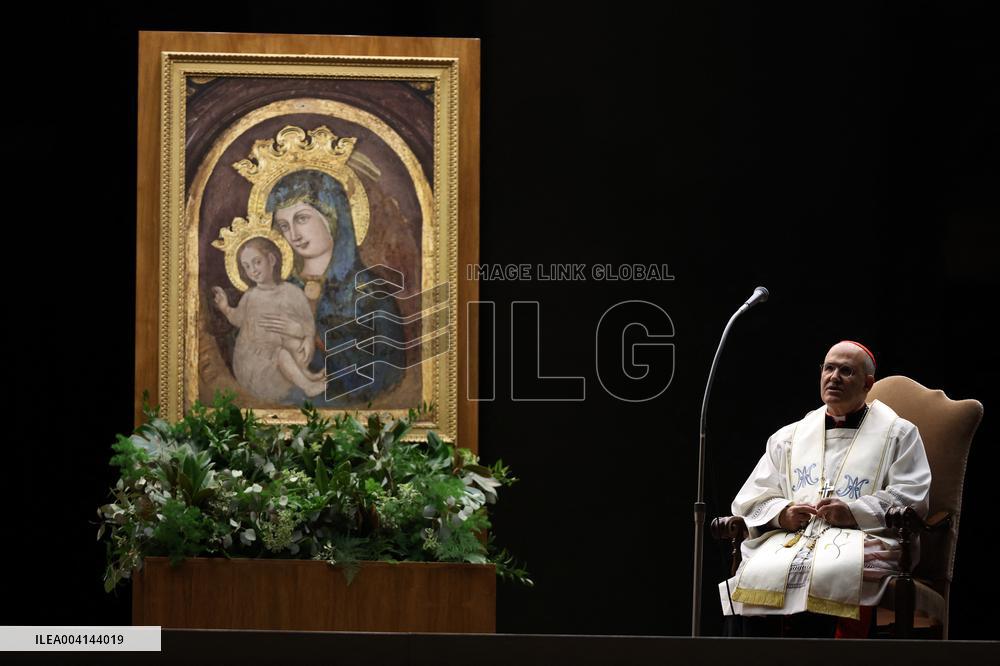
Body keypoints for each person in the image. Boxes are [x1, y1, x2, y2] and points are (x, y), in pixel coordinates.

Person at [719, 341, 931, 638]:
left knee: (826, 570)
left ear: (868, 383)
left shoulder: (898, 434)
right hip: (793, 539)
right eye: (829, 368)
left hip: (863, 538)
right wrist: (783, 514)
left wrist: (853, 513)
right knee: (752, 572)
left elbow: (911, 496)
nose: (834, 377)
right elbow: (753, 496)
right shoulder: (789, 437)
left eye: (846, 371)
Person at [265, 170, 405, 405]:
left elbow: (389, 371)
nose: (294, 235)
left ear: (332, 215)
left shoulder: (372, 293)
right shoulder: (279, 290)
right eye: (284, 225)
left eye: (301, 219)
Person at [212, 237, 327, 403]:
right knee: (281, 353)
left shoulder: (292, 292)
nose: (253, 270)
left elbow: (307, 322)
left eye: (257, 262)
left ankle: (307, 374)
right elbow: (237, 319)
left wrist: (307, 337)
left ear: (272, 260)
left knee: (294, 345)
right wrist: (225, 307)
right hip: (254, 362)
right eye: (247, 266)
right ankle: (307, 386)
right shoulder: (250, 296)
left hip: (281, 354)